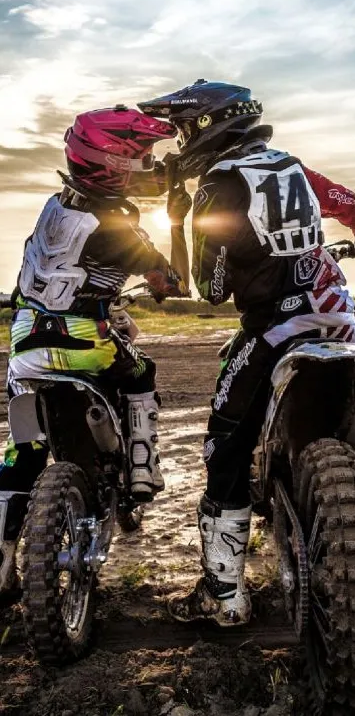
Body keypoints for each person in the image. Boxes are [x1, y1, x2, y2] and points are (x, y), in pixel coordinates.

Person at [139, 79, 355, 627]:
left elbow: (213, 287)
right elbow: (346, 202)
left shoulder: (220, 185)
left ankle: (224, 597)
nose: (178, 143)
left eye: (181, 129)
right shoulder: (292, 166)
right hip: (342, 321)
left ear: (206, 126)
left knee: (224, 447)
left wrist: (180, 223)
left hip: (274, 330)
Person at [0, 104, 189, 597]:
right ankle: (144, 469)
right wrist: (174, 225)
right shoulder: (119, 232)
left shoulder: (54, 208)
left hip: (25, 345)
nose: (148, 163)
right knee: (141, 371)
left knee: (23, 451)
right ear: (114, 161)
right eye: (141, 155)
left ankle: (1, 561)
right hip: (84, 344)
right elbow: (171, 284)